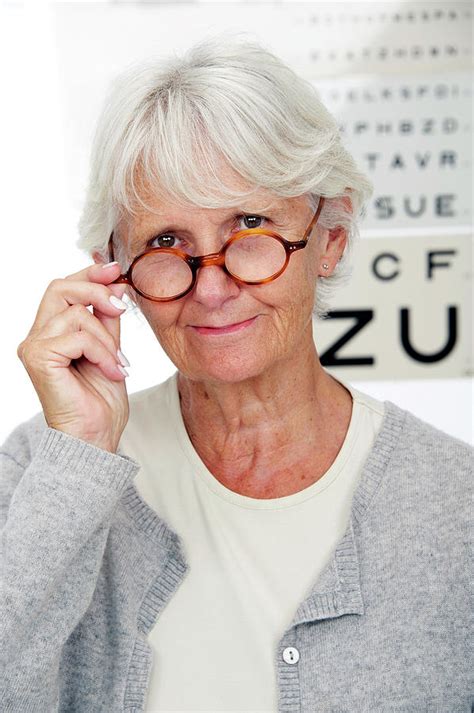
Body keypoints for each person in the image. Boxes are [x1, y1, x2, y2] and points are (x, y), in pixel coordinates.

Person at [1, 36, 472, 713]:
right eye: (166, 243)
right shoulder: (43, 475)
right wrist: (76, 453)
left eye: (251, 225)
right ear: (114, 268)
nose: (212, 287)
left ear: (330, 237)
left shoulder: (456, 505)